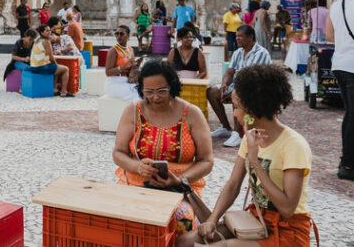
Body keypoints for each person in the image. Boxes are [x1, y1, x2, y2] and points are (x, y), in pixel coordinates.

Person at [178, 65, 315, 247]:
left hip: (287, 230)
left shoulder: (293, 145)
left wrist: (255, 161)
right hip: (257, 220)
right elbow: (233, 185)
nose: (234, 113)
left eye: (236, 107)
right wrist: (212, 219)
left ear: (252, 109)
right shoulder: (251, 138)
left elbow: (288, 208)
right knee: (186, 242)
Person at [113, 60, 213, 240]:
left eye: (161, 91)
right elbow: (118, 153)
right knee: (127, 221)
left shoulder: (192, 114)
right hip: (136, 183)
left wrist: (181, 180)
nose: (155, 97)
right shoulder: (133, 111)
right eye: (148, 92)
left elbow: (206, 161)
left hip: (180, 189)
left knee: (182, 219)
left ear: (172, 86)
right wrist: (137, 167)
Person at [208, 25, 272, 148]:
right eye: (236, 36)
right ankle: (226, 128)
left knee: (238, 93)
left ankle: (237, 134)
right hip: (239, 84)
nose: (237, 39)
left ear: (250, 37)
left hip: (257, 87)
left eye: (240, 36)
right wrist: (224, 85)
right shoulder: (238, 52)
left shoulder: (261, 53)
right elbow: (229, 72)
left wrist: (232, 91)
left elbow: (252, 78)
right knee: (212, 91)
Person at [326, 0, 354, 181]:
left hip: (341, 64)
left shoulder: (338, 5)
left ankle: (347, 161)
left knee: (350, 113)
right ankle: (347, 163)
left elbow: (329, 36)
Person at [30, 24, 71, 97]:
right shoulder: (46, 42)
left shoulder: (38, 40)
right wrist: (56, 65)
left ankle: (54, 89)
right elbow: (51, 57)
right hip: (41, 67)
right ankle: (64, 92)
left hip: (34, 67)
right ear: (42, 33)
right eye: (47, 31)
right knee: (65, 69)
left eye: (50, 30)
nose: (49, 32)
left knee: (55, 67)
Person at [105, 25, 140, 102]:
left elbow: (132, 65)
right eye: (117, 34)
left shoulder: (130, 49)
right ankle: (137, 114)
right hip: (114, 83)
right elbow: (108, 72)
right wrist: (123, 67)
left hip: (128, 80)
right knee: (137, 96)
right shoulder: (113, 51)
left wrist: (136, 65)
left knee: (144, 91)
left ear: (128, 36)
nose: (118, 36)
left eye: (121, 34)